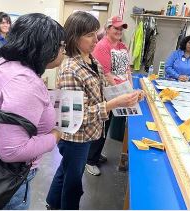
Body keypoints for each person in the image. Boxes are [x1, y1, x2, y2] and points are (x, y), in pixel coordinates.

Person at [46, 11, 143, 210]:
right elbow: (74, 116)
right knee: (73, 183)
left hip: (88, 133)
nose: (95, 39)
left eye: (95, 33)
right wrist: (114, 103)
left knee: (66, 170)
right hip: (75, 137)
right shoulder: (70, 70)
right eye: (89, 35)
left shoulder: (90, 59)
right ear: (74, 37)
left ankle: (52, 202)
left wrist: (128, 95)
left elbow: (102, 89)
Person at [0, 13, 65, 209]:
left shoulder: (3, 64)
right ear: (45, 47)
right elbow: (12, 150)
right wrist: (55, 137)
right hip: (9, 178)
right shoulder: (25, 82)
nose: (63, 51)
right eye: (61, 46)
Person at [85, 16, 132, 176]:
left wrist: (130, 87)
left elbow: (127, 69)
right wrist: (122, 91)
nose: (119, 31)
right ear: (108, 29)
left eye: (121, 29)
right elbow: (105, 73)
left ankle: (96, 155)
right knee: (101, 125)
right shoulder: (102, 46)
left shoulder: (122, 46)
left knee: (107, 125)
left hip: (120, 91)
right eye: (116, 28)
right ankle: (90, 160)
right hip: (107, 92)